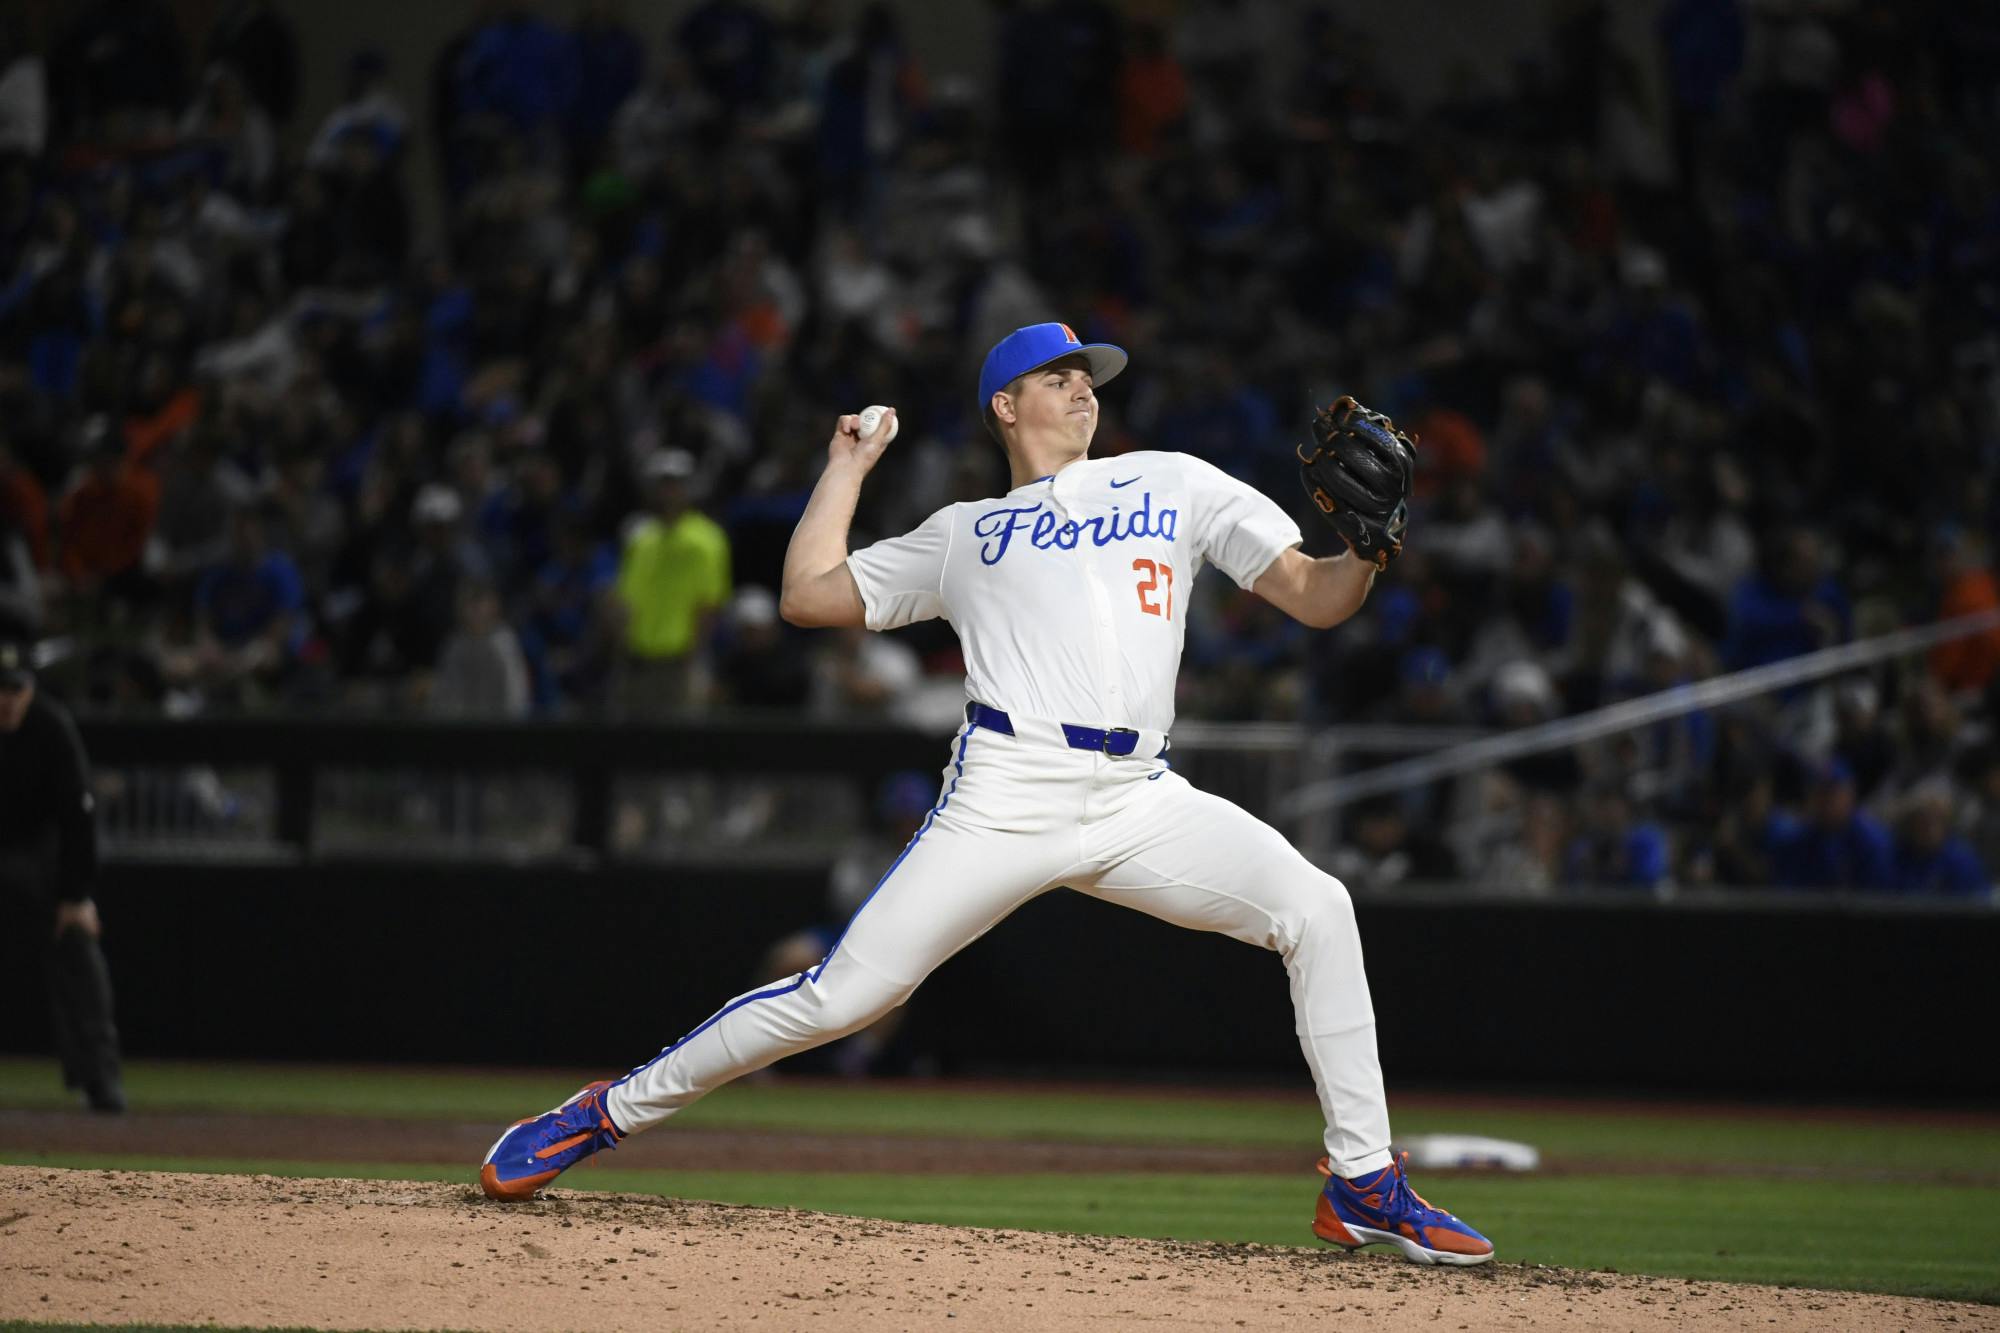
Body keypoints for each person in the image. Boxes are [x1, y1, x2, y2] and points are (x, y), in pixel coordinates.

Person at [478, 322, 1493, 1266]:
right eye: (1057, 378)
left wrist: (1362, 547)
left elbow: (1315, 599)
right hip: (1007, 789)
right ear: (1003, 405)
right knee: (843, 997)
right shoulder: (967, 533)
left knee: (1318, 906)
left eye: (1088, 378)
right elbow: (806, 594)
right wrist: (845, 466)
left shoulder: (1173, 482)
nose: (1082, 392)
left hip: (1139, 792)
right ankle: (603, 1112)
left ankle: (1361, 1179)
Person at [0, 623, 123, 1111]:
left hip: (38, 853)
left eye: (15, 689)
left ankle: (99, 1077)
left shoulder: (51, 728)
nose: (6, 700)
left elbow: (79, 815)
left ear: (30, 688)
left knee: (77, 941)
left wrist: (75, 897)